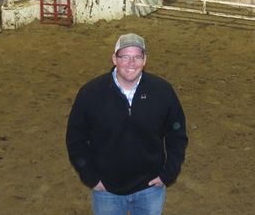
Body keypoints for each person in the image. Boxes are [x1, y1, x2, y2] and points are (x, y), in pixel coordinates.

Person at [66, 33, 188, 215]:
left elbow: (177, 134)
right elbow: (75, 137)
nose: (131, 62)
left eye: (137, 56)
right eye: (124, 56)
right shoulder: (91, 93)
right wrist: (90, 176)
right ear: (114, 58)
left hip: (150, 188)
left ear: (145, 60)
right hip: (107, 190)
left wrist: (168, 173)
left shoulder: (162, 91)